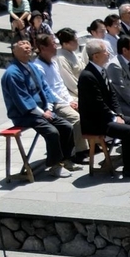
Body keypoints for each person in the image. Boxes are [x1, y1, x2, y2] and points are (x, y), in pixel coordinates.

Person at [78, 39, 130, 179]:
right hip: (96, 122)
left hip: (108, 116)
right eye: (105, 52)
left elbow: (112, 96)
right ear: (96, 56)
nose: (108, 54)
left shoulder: (102, 70)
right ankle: (129, 168)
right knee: (129, 131)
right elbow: (97, 104)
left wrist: (119, 114)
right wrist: (114, 117)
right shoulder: (87, 76)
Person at [0, 40, 75, 178]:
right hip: (25, 114)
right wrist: (43, 113)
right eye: (22, 46)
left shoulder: (32, 66)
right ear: (14, 51)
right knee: (52, 132)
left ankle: (65, 159)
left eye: (28, 46)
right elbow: (23, 99)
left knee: (66, 127)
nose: (27, 48)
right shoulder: (12, 73)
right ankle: (55, 165)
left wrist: (48, 107)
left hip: (43, 110)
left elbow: (45, 88)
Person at [31, 34, 88, 167]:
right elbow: (48, 91)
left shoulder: (53, 62)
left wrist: (70, 99)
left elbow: (60, 85)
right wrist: (67, 102)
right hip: (54, 102)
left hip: (64, 98)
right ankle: (79, 152)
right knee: (76, 118)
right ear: (43, 48)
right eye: (52, 44)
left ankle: (94, 141)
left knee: (88, 105)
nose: (55, 46)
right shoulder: (38, 67)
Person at [55, 27, 85, 99]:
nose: (77, 43)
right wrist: (83, 92)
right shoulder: (61, 58)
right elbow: (69, 80)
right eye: (74, 41)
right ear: (65, 43)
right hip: (74, 92)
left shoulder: (72, 53)